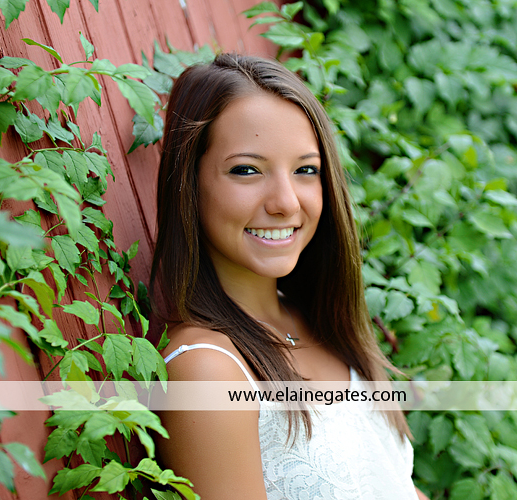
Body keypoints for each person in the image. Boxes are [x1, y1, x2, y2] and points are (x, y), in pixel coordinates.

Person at [150, 53, 427, 499]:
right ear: (189, 182)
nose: (286, 201)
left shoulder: (327, 327)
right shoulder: (209, 370)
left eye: (305, 170)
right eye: (246, 170)